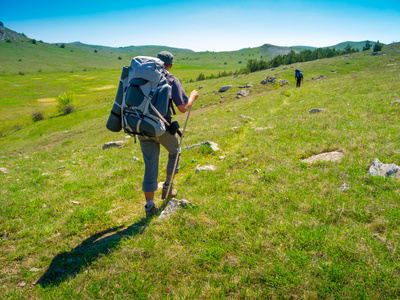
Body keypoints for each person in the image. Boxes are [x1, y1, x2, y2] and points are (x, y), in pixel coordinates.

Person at [139, 51, 199, 218]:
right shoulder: (171, 79)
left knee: (150, 163)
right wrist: (193, 97)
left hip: (141, 127)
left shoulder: (141, 77)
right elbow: (183, 108)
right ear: (170, 65)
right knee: (175, 150)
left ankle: (150, 206)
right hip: (161, 127)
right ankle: (168, 188)